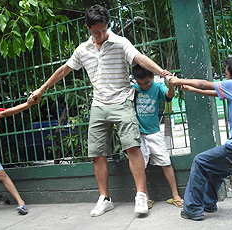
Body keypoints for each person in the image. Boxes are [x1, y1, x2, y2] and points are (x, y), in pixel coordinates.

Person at [29, 5, 172, 217]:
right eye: (97, 31)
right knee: (97, 153)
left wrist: (163, 72)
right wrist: (42, 89)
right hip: (98, 105)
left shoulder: (120, 43)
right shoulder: (82, 50)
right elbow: (64, 70)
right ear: (87, 27)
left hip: (122, 100)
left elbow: (139, 58)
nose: (102, 34)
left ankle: (141, 195)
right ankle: (104, 198)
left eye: (105, 29)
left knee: (133, 147)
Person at [169, 54, 232, 220]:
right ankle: (209, 203)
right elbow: (213, 92)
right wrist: (190, 89)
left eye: (226, 74)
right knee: (215, 172)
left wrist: (177, 81)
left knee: (200, 161)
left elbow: (204, 84)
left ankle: (193, 208)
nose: (224, 78)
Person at [132, 64, 183, 209]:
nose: (144, 86)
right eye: (140, 83)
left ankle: (175, 195)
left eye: (147, 82)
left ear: (152, 77)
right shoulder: (134, 89)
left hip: (154, 133)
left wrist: (171, 85)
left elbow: (169, 96)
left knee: (166, 163)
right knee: (140, 167)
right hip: (139, 135)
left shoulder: (158, 87)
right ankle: (146, 198)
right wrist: (133, 92)